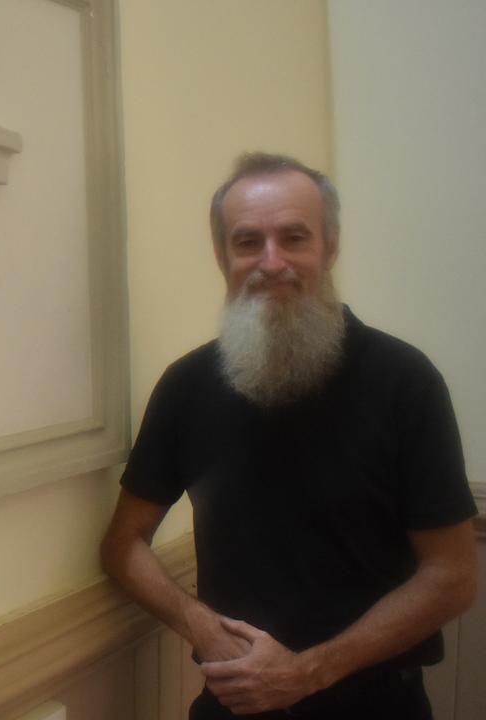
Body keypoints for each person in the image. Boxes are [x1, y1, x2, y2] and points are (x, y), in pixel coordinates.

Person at [101, 152, 478, 718]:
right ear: (222, 255)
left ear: (330, 248)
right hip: (235, 704)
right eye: (248, 241)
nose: (270, 262)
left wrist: (308, 672)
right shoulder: (187, 385)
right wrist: (200, 626)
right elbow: (123, 544)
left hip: (377, 707)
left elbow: (453, 575)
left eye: (294, 238)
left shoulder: (407, 382)